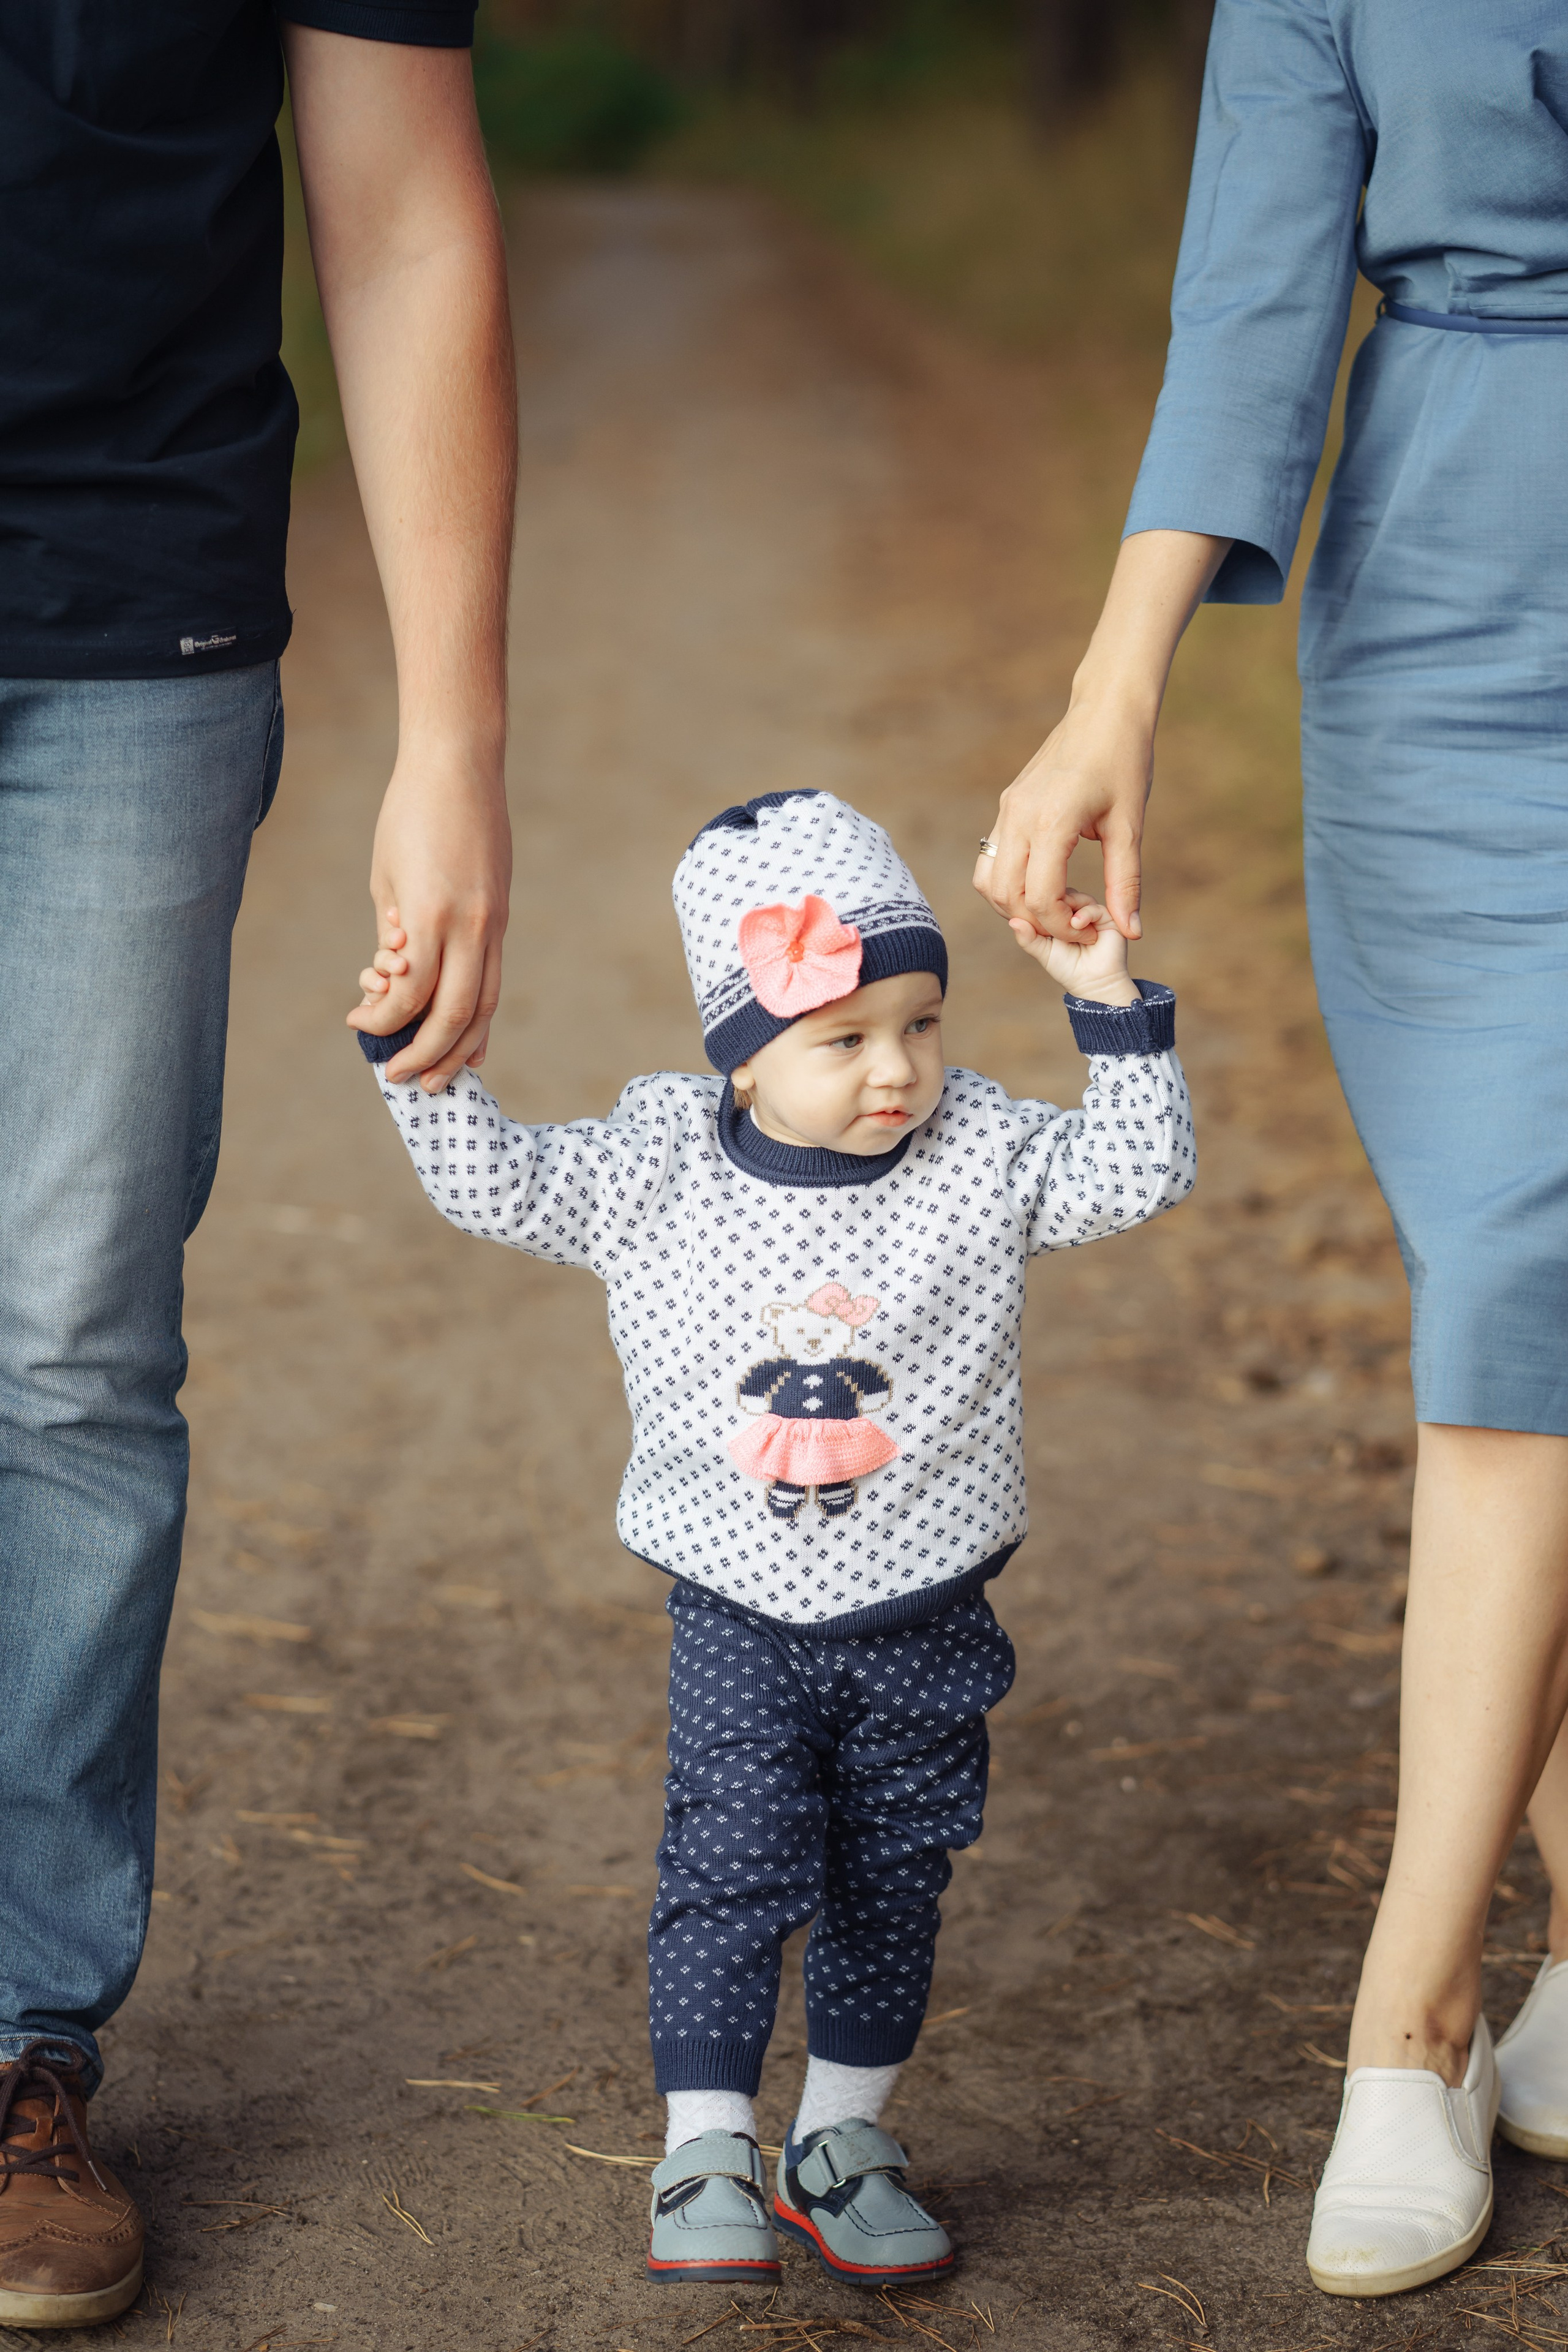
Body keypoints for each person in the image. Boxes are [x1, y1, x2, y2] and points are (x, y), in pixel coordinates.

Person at [972, 0, 1568, 2305]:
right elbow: (1254, 291)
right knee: (1516, 1275)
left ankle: (1458, 2005)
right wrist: (1116, 687)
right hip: (1449, 640)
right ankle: (1415, 2024)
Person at [355, 788, 1196, 2284]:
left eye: (921, 1025)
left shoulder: (983, 1155)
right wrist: (423, 1070)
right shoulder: (654, 1164)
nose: (898, 1070)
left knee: (892, 1877)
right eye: (844, 1038)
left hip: (926, 1614)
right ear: (740, 1062)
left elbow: (1136, 1173)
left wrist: (1109, 1010)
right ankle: (705, 2153)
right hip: (736, 1614)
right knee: (732, 1873)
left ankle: (843, 2140)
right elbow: (497, 1188)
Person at [0, 2, 514, 2328]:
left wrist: (456, 741)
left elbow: (400, 213)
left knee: (69, 1355)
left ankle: (23, 2054)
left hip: (128, 623)